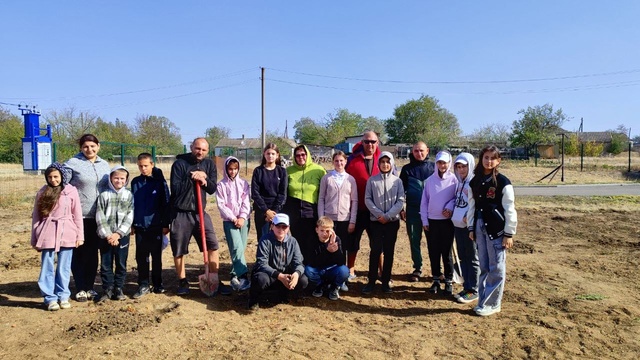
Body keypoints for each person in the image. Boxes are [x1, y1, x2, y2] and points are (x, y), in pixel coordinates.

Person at [169, 138, 230, 296]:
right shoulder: (179, 164)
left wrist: (204, 179)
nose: (200, 152)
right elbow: (175, 189)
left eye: (203, 150)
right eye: (197, 148)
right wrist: (192, 177)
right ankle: (182, 281)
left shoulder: (209, 164)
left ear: (207, 151)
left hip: (200, 213)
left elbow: (212, 188)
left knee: (212, 245)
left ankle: (214, 278)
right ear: (191, 147)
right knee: (179, 249)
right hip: (181, 212)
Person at [468, 145, 517, 316]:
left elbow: (509, 208)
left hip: (496, 230)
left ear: (498, 161)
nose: (489, 161)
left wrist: (509, 233)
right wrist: (471, 227)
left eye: (492, 158)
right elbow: (472, 206)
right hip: (480, 228)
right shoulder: (475, 181)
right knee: (484, 266)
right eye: (486, 157)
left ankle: (493, 303)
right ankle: (483, 301)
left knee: (496, 266)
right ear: (481, 159)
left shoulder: (503, 182)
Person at [31, 163, 84, 311]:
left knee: (64, 267)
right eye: (50, 177)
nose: (53, 180)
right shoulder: (43, 192)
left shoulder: (71, 191)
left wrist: (80, 235)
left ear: (62, 176)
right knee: (47, 266)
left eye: (56, 176)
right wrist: (35, 238)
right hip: (47, 231)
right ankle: (50, 298)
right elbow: (36, 216)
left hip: (67, 231)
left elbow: (77, 214)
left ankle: (63, 295)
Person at [64, 134, 111, 302]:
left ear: (98, 146)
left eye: (92, 146)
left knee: (92, 253)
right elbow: (62, 185)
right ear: (80, 148)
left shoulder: (105, 164)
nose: (89, 150)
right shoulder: (72, 164)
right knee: (79, 253)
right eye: (85, 147)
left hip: (99, 217)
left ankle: (90, 287)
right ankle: (80, 287)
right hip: (79, 216)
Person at [362, 152, 405, 294]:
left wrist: (388, 216)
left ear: (392, 163)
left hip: (392, 222)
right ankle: (371, 281)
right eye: (382, 161)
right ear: (378, 164)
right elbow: (368, 199)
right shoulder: (372, 181)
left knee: (389, 251)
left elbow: (400, 201)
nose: (385, 164)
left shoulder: (397, 181)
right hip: (376, 222)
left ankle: (386, 281)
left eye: (388, 161)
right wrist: (379, 214)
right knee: (375, 251)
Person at [247, 214, 308, 311]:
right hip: (270, 275)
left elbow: (299, 262)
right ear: (272, 226)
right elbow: (262, 264)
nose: (281, 229)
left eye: (284, 227)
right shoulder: (265, 240)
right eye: (278, 226)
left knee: (303, 280)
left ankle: (287, 295)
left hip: (286, 274)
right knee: (260, 279)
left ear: (288, 228)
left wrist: (296, 274)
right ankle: (254, 300)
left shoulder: (293, 241)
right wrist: (279, 276)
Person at [130, 153, 170, 298]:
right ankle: (143, 284)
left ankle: (158, 284)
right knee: (141, 257)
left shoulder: (160, 183)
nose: (143, 168)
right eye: (140, 166)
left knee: (156, 257)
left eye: (146, 165)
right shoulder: (135, 182)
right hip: (140, 226)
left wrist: (165, 224)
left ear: (152, 165)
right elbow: (131, 205)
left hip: (156, 226)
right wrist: (132, 224)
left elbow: (166, 204)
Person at [317, 150, 357, 290]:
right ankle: (326, 275)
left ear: (345, 162)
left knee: (343, 248)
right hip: (329, 220)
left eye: (341, 161)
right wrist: (321, 218)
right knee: (328, 246)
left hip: (345, 219)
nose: (339, 163)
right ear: (333, 162)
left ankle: (342, 279)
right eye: (336, 161)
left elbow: (354, 201)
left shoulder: (350, 179)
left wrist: (352, 220)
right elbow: (321, 198)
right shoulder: (327, 178)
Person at [420, 151, 458, 296]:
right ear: (436, 164)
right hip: (432, 222)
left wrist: (450, 206)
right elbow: (424, 202)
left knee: (446, 252)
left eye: (445, 163)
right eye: (440, 163)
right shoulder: (429, 181)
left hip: (447, 222)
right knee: (433, 251)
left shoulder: (454, 180)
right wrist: (425, 220)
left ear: (449, 163)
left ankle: (448, 280)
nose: (442, 165)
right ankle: (436, 278)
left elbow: (457, 198)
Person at [345, 130, 381, 280]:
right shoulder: (352, 159)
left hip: (377, 210)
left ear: (377, 143)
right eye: (367, 141)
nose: (370, 144)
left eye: (373, 142)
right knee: (353, 242)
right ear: (362, 142)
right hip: (357, 208)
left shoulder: (382, 159)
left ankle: (381, 270)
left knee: (378, 242)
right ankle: (351, 269)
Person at [95, 166, 134, 302]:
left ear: (126, 180)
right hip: (106, 237)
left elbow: (130, 216)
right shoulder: (103, 195)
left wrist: (118, 234)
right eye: (116, 178)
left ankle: (118, 288)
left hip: (122, 237)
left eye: (122, 178)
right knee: (106, 264)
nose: (118, 181)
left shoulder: (128, 195)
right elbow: (100, 215)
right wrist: (108, 235)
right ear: (111, 179)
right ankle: (107, 289)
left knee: (121, 263)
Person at [399, 141, 435, 282]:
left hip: (432, 212)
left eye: (421, 150)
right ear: (412, 152)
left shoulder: (434, 168)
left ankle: (436, 270)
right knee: (414, 240)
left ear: (427, 151)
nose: (419, 153)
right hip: (413, 211)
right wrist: (402, 208)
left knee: (433, 241)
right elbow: (401, 191)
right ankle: (417, 268)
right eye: (416, 151)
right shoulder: (407, 170)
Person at [284, 145, 326, 261]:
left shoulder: (318, 170)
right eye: (297, 155)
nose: (300, 157)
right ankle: (299, 267)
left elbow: (324, 191)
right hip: (294, 212)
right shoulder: (288, 171)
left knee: (312, 241)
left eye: (303, 154)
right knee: (297, 241)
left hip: (311, 211)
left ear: (307, 155)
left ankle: (311, 268)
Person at [216, 156, 251, 292]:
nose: (232, 172)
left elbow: (246, 202)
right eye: (230, 169)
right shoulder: (221, 185)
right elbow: (221, 204)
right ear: (226, 169)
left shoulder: (244, 184)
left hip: (244, 220)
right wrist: (233, 218)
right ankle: (244, 277)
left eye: (235, 169)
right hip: (229, 221)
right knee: (236, 247)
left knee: (240, 248)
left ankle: (234, 275)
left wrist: (242, 217)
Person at [451, 152, 480, 304]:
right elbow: (457, 201)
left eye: (464, 167)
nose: (461, 170)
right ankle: (467, 286)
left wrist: (469, 218)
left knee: (472, 257)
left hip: (469, 227)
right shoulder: (459, 183)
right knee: (463, 256)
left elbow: (476, 205)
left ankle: (474, 289)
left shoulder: (473, 183)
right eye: (459, 167)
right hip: (458, 226)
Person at [305, 217, 350, 300]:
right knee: (308, 270)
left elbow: (341, 262)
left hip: (332, 269)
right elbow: (312, 262)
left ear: (332, 231)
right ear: (317, 230)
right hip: (318, 269)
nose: (324, 233)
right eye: (322, 230)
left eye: (327, 231)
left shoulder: (337, 240)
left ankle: (335, 287)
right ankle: (320, 286)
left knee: (344, 270)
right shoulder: (312, 240)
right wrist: (327, 251)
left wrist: (336, 251)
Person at [251, 143, 288, 241]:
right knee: (263, 240)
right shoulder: (258, 171)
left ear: (277, 155)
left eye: (273, 153)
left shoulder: (282, 171)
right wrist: (266, 211)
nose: (270, 156)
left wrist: (273, 213)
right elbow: (255, 193)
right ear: (264, 154)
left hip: (277, 211)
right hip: (261, 212)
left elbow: (282, 194)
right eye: (268, 153)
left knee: (278, 240)